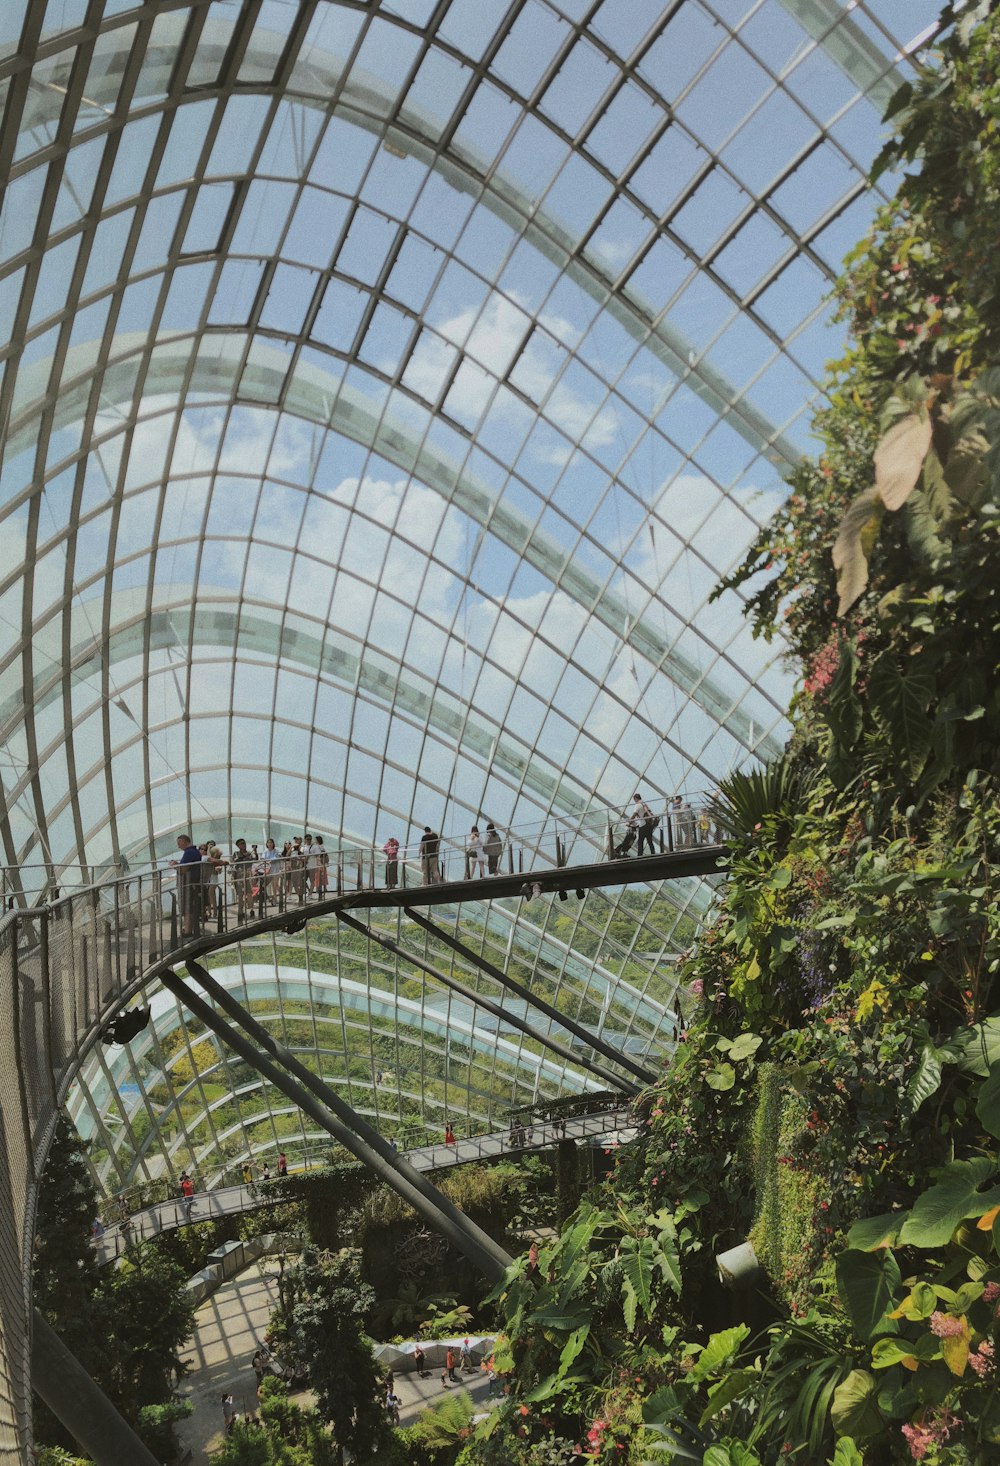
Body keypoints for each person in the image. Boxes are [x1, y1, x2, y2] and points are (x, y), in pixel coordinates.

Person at [170, 833, 202, 937]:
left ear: (184, 841)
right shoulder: (195, 852)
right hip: (194, 882)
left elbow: (184, 869)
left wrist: (175, 866)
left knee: (187, 907)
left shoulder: (189, 853)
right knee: (190, 906)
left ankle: (188, 931)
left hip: (189, 883)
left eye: (179, 843)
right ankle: (188, 928)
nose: (178, 846)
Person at [231, 837, 253, 913]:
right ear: (238, 846)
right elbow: (234, 862)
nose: (244, 845)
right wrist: (243, 856)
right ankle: (241, 910)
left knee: (249, 892)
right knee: (240, 894)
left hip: (247, 875)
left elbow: (254, 859)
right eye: (241, 844)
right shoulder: (236, 854)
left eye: (244, 843)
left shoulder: (249, 853)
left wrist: (253, 852)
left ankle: (251, 909)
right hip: (239, 876)